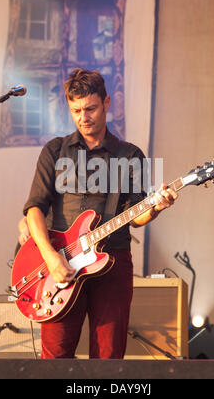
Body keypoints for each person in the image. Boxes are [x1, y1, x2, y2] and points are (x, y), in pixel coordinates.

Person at [21, 68, 178, 359]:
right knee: (54, 358)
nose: (84, 117)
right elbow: (34, 209)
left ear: (106, 103)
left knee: (108, 359)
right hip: (61, 263)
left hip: (113, 261)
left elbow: (137, 215)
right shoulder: (55, 151)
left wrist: (155, 207)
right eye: (76, 110)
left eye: (91, 108)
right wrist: (51, 257)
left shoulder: (129, 155)